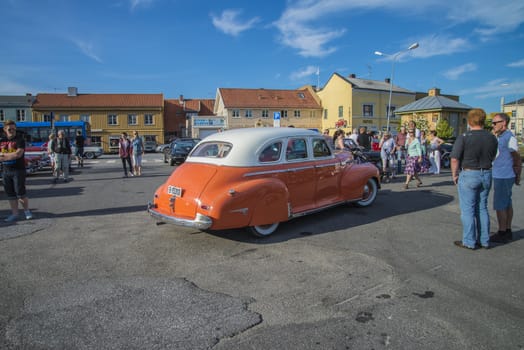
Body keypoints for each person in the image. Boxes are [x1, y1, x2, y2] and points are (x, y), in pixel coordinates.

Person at [450, 108, 498, 250]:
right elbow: (493, 156)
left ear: (470, 121)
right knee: (482, 208)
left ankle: (469, 241)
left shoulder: (465, 136)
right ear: (483, 120)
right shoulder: (492, 137)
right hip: (486, 172)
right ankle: (484, 240)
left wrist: (454, 174)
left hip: (469, 173)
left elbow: (454, 158)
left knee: (468, 210)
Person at [490, 113, 522, 243]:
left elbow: (516, 156)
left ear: (503, 123)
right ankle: (507, 229)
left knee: (500, 205)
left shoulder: (509, 137)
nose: (493, 125)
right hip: (502, 173)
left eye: (495, 123)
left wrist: (518, 174)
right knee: (506, 203)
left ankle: (502, 231)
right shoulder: (501, 136)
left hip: (503, 174)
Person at [0, 120, 33, 222]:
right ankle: (15, 214)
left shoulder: (19, 140)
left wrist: (3, 156)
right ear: (5, 129)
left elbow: (18, 154)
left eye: (14, 129)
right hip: (5, 171)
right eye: (10, 129)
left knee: (21, 193)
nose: (12, 131)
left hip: (18, 170)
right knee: (10, 194)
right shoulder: (1, 140)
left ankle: (27, 211)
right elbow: (14, 155)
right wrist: (10, 156)